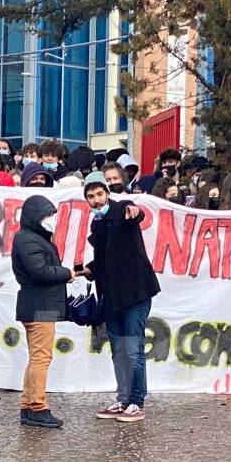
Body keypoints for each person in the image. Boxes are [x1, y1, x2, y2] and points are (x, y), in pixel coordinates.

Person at [80, 172, 160, 423]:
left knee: (132, 348)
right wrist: (88, 270)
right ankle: (123, 398)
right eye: (90, 196)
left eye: (99, 194)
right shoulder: (98, 223)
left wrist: (134, 210)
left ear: (107, 193)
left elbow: (133, 210)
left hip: (134, 293)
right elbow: (105, 258)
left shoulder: (120, 210)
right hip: (111, 296)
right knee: (118, 350)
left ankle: (137, 401)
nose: (95, 200)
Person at [12, 195, 75, 428]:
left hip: (38, 304)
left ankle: (28, 405)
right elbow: (40, 272)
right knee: (41, 358)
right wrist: (66, 272)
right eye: (47, 215)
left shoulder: (33, 238)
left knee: (36, 357)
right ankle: (38, 407)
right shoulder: (29, 239)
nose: (51, 220)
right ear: (35, 216)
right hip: (41, 306)